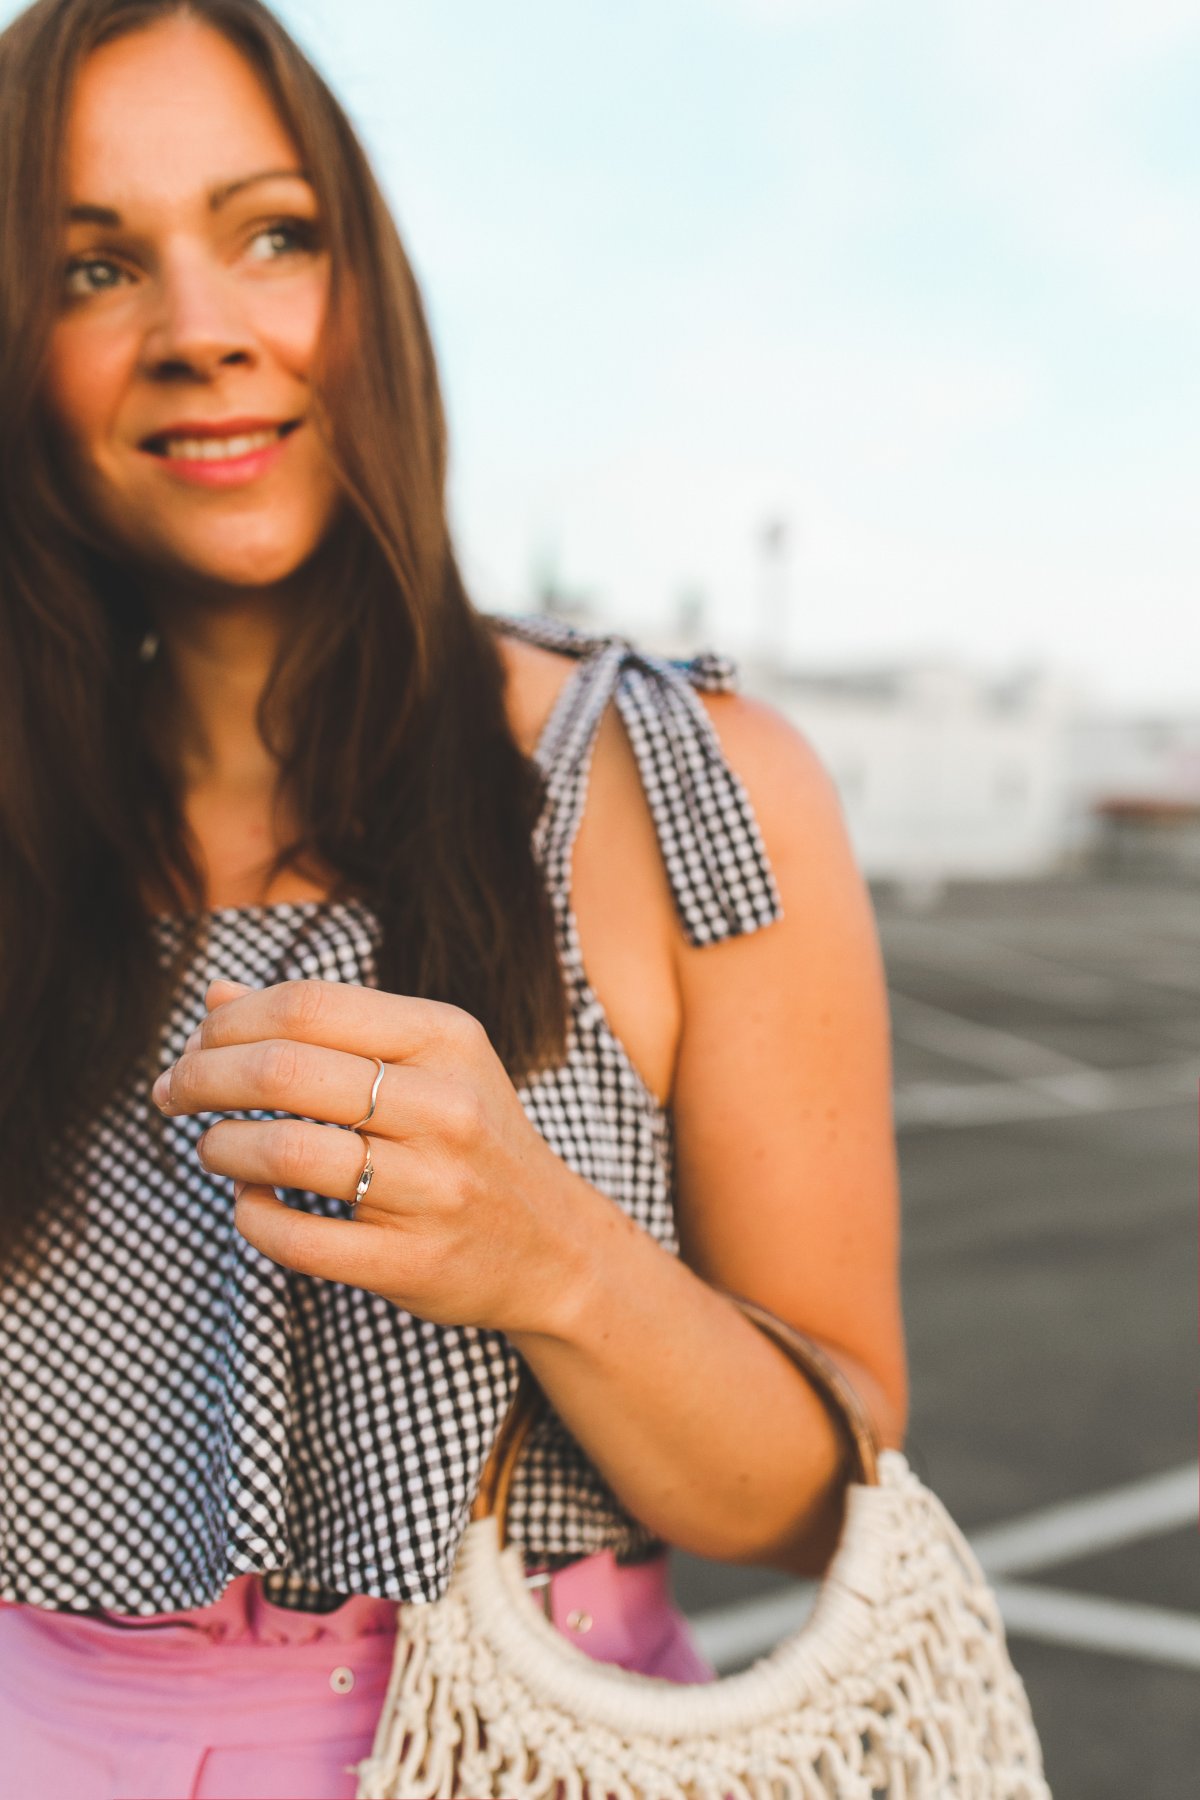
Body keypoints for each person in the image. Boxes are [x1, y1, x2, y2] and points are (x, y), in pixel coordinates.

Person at [0, 0, 907, 1794]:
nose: (201, 333)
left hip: (540, 1748)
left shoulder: (686, 781)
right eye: (92, 267)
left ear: (373, 281)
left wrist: (546, 1253)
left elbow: (827, 1499)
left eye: (274, 234)